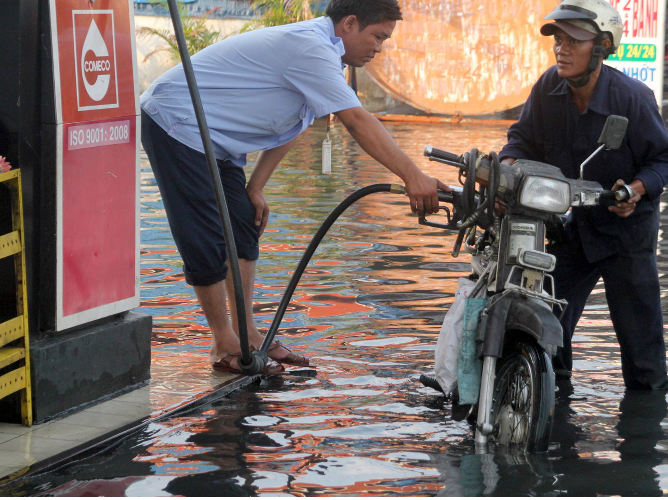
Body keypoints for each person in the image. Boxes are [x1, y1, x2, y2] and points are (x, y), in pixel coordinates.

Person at [140, 0, 449, 374]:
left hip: (215, 139)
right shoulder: (311, 48)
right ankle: (223, 344)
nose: (379, 48)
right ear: (350, 23)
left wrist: (256, 186)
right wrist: (412, 176)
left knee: (243, 223)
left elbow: (295, 122)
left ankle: (250, 335)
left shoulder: (324, 58)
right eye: (378, 36)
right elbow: (355, 120)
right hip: (176, 121)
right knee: (203, 236)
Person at [499, 0, 668, 391]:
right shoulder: (548, 87)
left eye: (574, 41)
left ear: (601, 47)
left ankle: (645, 427)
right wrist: (509, 167)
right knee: (546, 332)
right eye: (558, 40)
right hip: (569, 229)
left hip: (625, 233)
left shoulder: (632, 98)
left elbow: (665, 160)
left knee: (642, 350)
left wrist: (634, 189)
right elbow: (520, 141)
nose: (562, 49)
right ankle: (551, 401)